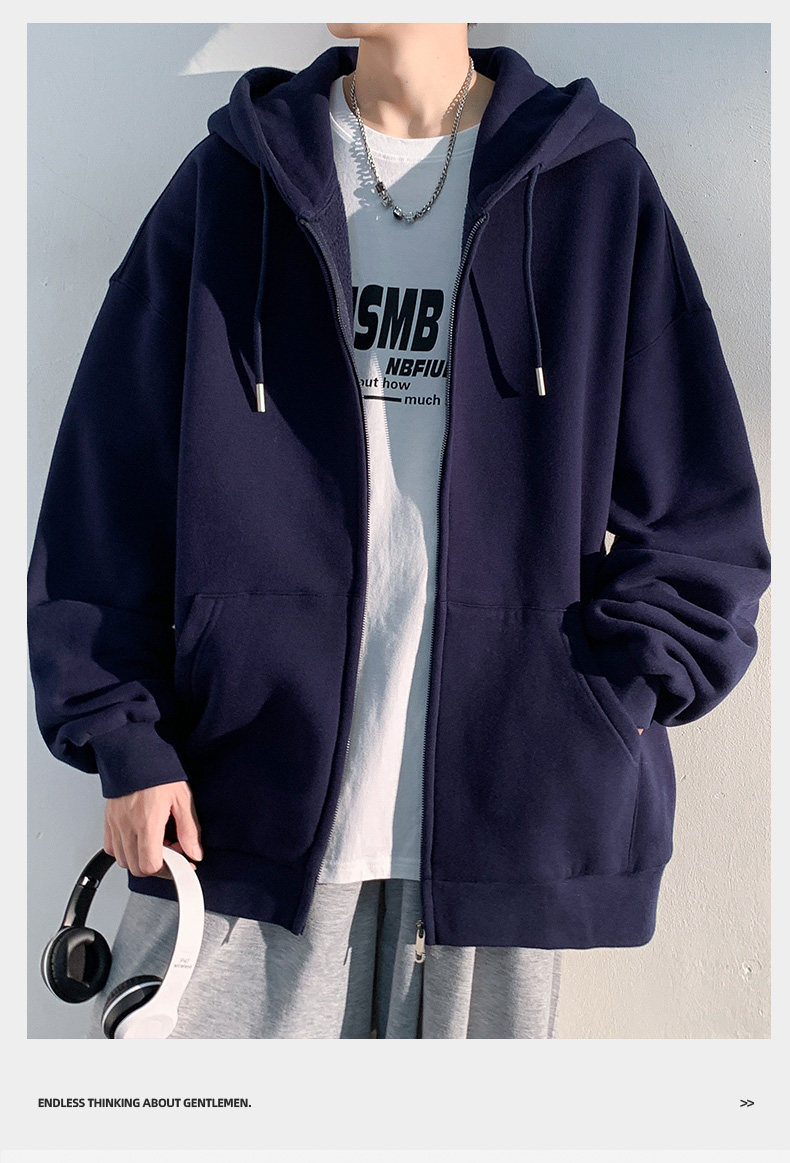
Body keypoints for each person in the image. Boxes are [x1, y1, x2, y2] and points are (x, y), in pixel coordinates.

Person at [27, 23, 770, 1039]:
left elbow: (698, 517)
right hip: (235, 810)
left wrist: (598, 707)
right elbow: (106, 490)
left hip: (508, 823)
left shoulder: (594, 189)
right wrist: (123, 733)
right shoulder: (233, 182)